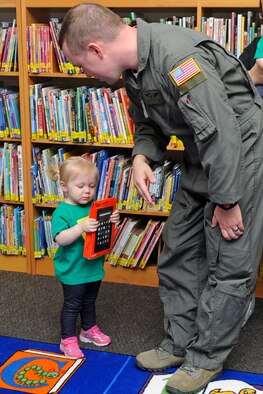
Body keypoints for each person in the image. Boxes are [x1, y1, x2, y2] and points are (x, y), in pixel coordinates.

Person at [59, 4, 263, 392]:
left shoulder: (180, 59)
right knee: (179, 246)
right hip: (201, 155)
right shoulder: (134, 68)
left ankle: (204, 359)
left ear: (96, 48)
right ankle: (180, 342)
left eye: (80, 64)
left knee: (229, 258)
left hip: (242, 155)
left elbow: (222, 133)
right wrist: (140, 156)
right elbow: (148, 120)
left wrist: (227, 202)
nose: (83, 74)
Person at [51, 156, 120, 359]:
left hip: (92, 267)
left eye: (91, 185)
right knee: (72, 305)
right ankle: (67, 340)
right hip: (73, 269)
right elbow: (61, 239)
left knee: (89, 301)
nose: (87, 191)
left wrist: (113, 218)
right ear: (64, 186)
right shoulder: (62, 212)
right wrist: (80, 227)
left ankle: (88, 330)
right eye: (80, 186)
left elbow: (103, 229)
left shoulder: (95, 206)